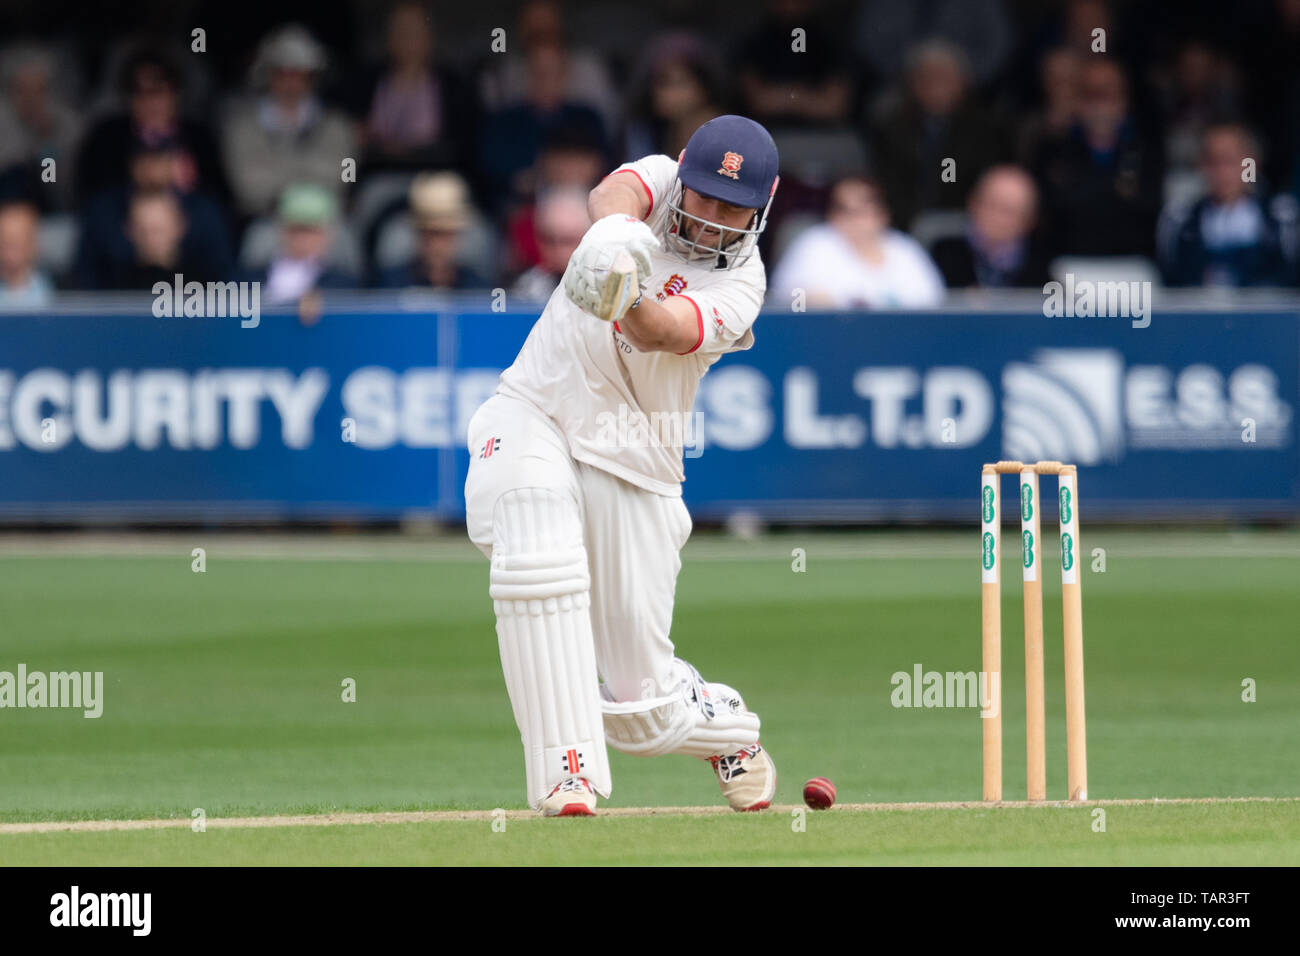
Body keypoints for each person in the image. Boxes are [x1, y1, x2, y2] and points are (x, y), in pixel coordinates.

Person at [463, 115, 780, 816]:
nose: (713, 218)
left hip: (635, 460)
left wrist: (621, 295)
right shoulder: (665, 178)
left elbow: (664, 330)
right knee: (533, 545)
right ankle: (566, 772)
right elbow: (608, 198)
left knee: (643, 707)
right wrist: (613, 249)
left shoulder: (744, 286)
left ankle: (724, 724)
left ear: (765, 204)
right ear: (685, 178)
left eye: (734, 208)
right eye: (704, 197)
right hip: (537, 408)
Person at [769, 174, 945, 308]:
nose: (854, 219)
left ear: (882, 214)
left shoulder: (903, 248)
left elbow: (932, 300)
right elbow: (789, 297)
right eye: (844, 209)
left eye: (863, 209)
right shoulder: (814, 243)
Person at [1158, 123, 1298, 287]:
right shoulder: (1179, 220)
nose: (1222, 172)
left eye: (1230, 161)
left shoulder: (1282, 217)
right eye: (1213, 162)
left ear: (1252, 165)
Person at [931, 165, 1051, 288]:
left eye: (1009, 211)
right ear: (973, 204)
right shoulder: (942, 257)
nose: (999, 219)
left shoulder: (1044, 271)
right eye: (992, 205)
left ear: (1030, 221)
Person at [513, 186, 590, 300]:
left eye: (568, 241)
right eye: (548, 240)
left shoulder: (613, 288)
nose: (558, 251)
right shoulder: (528, 289)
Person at [0, 201, 53, 307]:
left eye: (18, 242)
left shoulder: (55, 292)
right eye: (5, 242)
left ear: (33, 244)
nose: (10, 253)